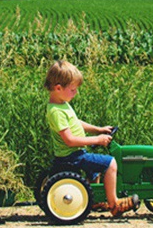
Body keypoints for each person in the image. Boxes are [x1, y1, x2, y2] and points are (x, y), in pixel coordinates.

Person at [44, 59, 140, 217]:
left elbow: (76, 123)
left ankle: (93, 200)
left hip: (75, 152)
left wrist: (98, 130)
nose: (76, 93)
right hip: (72, 156)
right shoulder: (56, 111)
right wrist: (97, 140)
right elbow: (69, 140)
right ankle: (114, 203)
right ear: (58, 88)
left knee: (95, 171)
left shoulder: (62, 104)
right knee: (110, 163)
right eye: (73, 89)